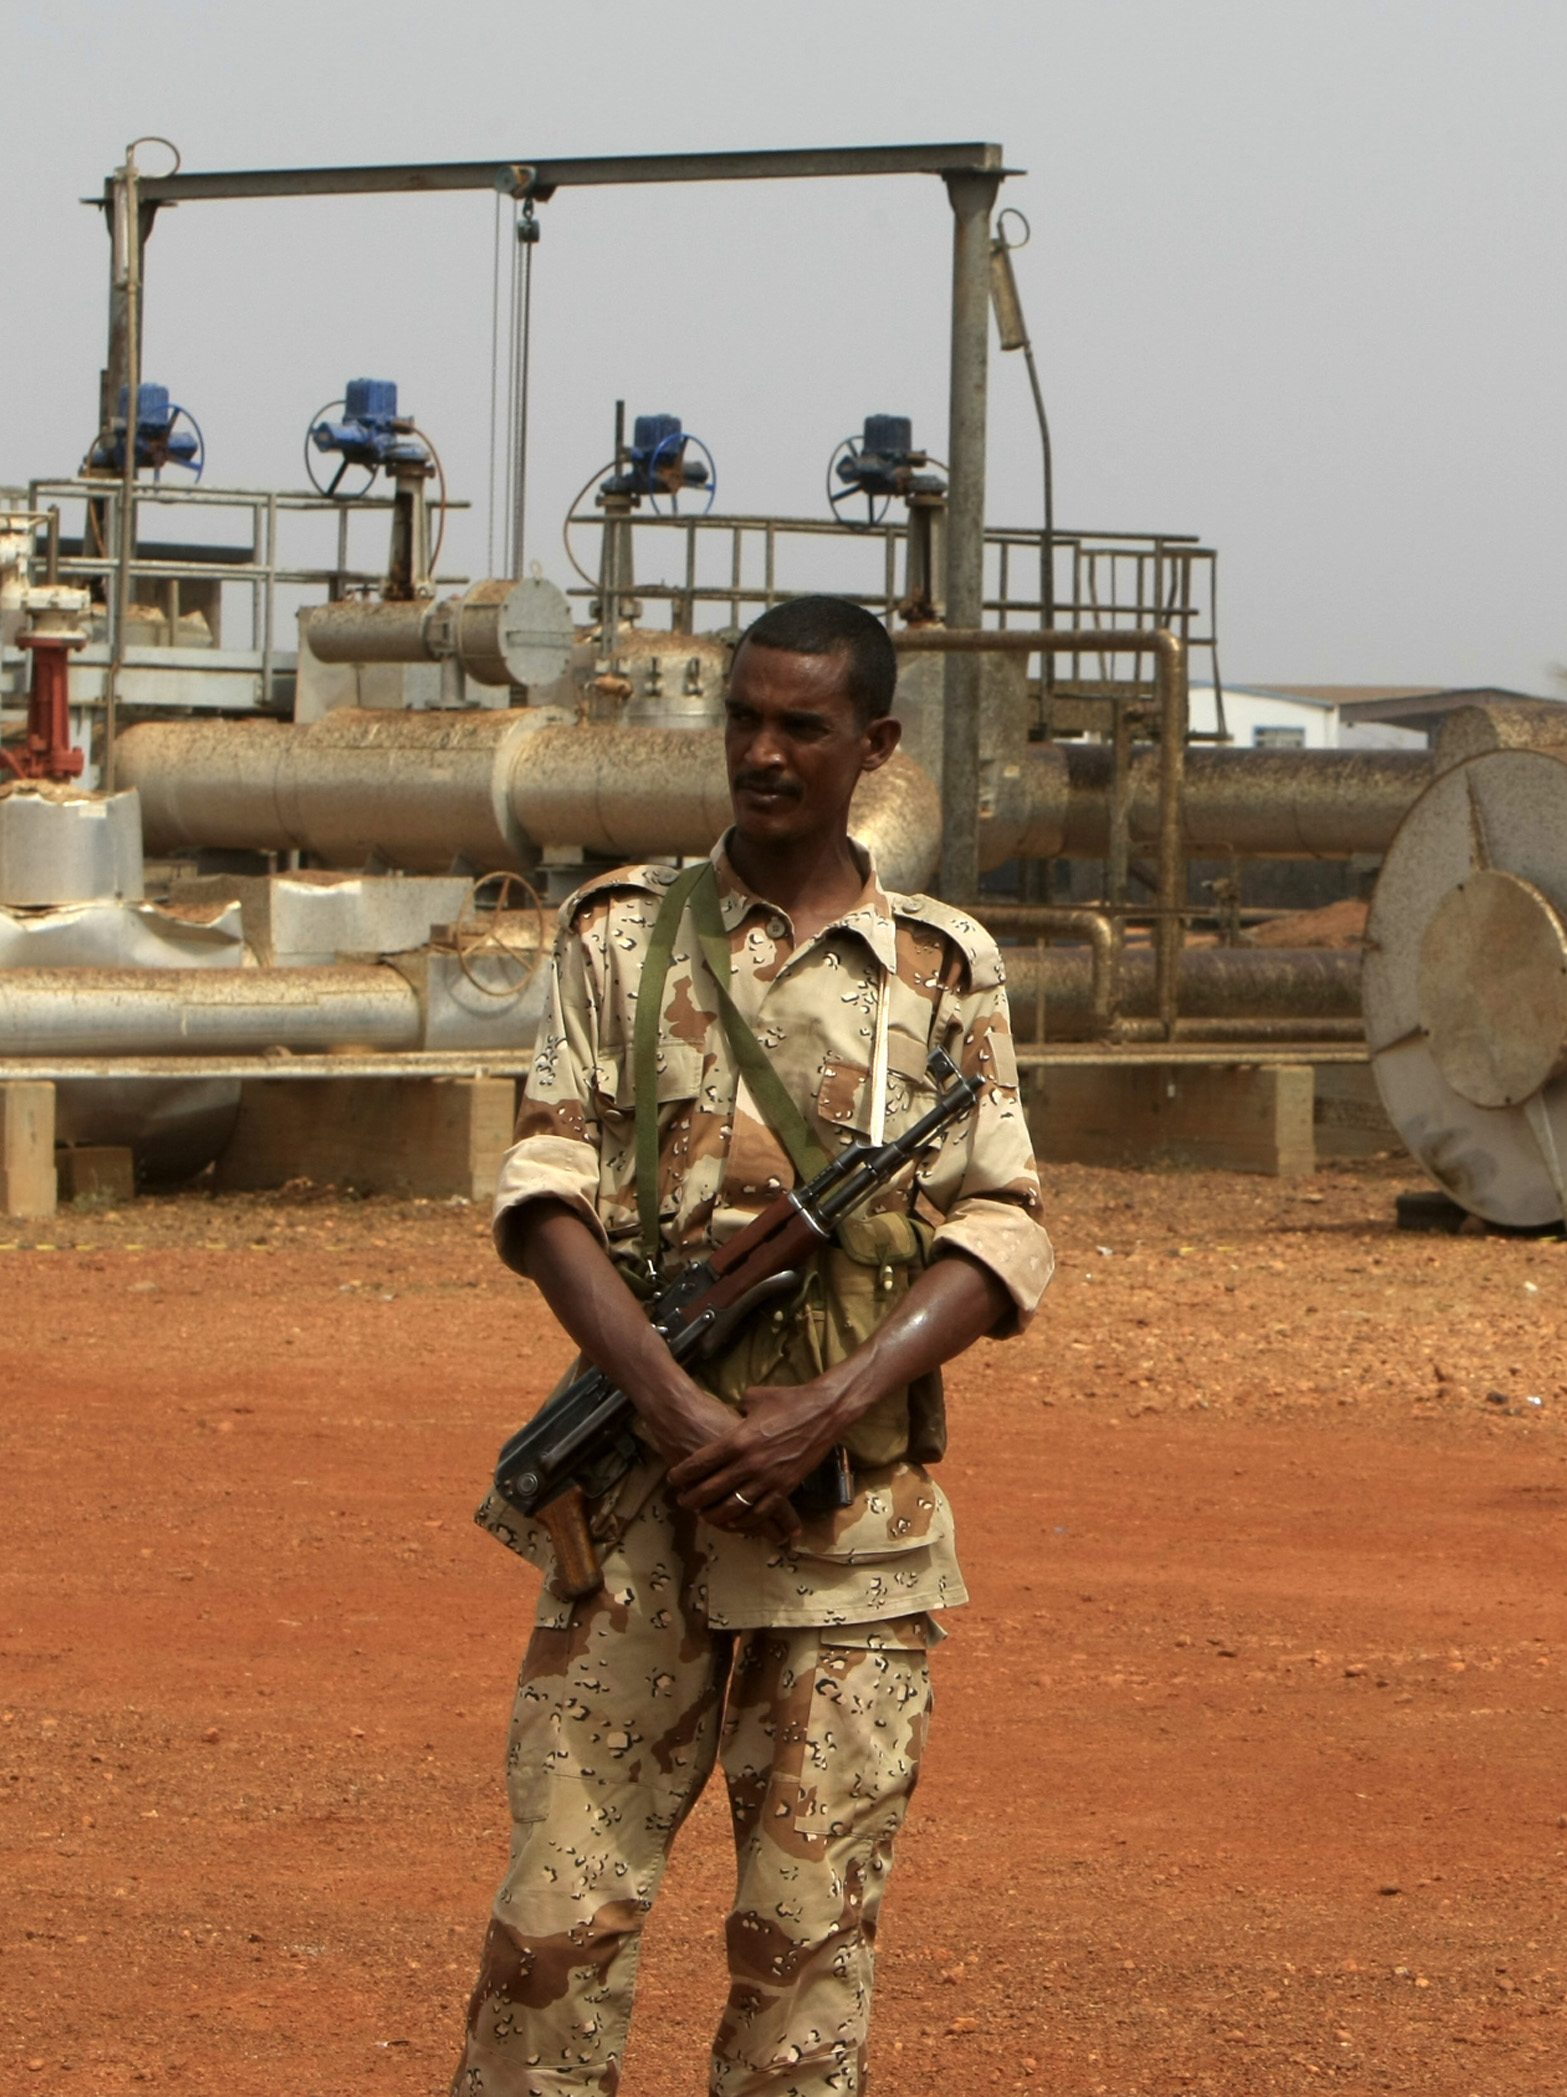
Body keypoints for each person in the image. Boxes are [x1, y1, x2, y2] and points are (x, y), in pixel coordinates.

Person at [454, 595, 1050, 2097]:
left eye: (803, 726)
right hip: (636, 1517)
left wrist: (823, 1408)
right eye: (745, 719)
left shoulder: (943, 965)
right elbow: (544, 1192)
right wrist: (673, 1411)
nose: (765, 752)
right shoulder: (620, 936)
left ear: (876, 745)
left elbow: (1005, 1226)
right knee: (555, 1925)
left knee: (805, 1945)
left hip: (850, 1523)